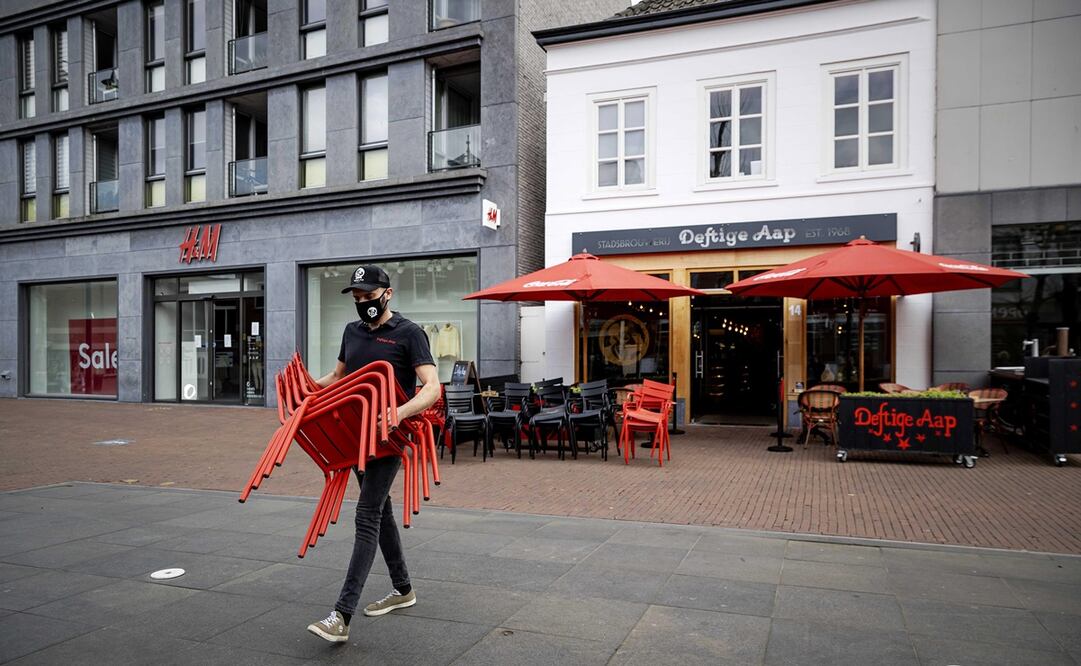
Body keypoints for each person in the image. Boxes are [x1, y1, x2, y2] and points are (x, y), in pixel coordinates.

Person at [306, 264, 441, 643]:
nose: (363, 303)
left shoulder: (409, 334)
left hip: (388, 440)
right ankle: (403, 589)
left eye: (369, 296)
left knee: (365, 515)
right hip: (354, 439)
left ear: (388, 293)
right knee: (380, 512)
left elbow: (432, 387)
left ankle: (342, 615)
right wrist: (305, 394)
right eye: (358, 297)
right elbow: (337, 377)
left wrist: (399, 412)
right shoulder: (352, 332)